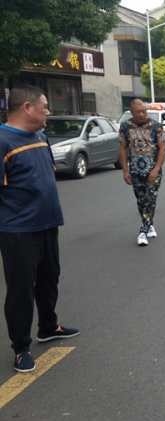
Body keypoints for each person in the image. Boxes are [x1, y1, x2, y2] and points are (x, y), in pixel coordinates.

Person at [0, 85, 79, 373]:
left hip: (47, 223)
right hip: (18, 230)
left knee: (49, 278)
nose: (48, 111)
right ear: (27, 108)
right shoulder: (3, 140)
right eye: (44, 106)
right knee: (21, 289)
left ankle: (48, 326)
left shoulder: (40, 136)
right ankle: (21, 348)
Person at [118, 98, 165, 246]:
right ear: (132, 112)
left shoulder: (156, 126)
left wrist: (156, 168)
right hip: (135, 171)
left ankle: (143, 231)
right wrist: (125, 170)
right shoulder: (125, 126)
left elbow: (163, 148)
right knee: (141, 201)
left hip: (153, 170)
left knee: (150, 199)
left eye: (144, 111)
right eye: (139, 112)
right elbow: (122, 148)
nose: (143, 114)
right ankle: (150, 223)